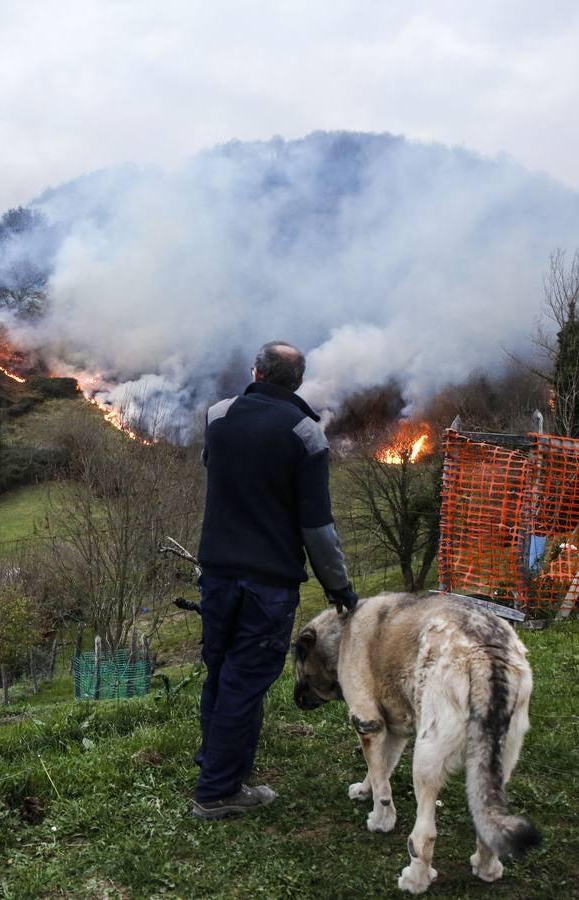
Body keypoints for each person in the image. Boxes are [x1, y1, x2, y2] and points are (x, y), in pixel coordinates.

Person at [191, 340, 360, 819]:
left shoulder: (218, 416)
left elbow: (215, 469)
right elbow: (317, 529)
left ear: (256, 373)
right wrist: (341, 590)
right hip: (267, 584)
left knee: (222, 672)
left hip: (218, 574)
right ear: (298, 383)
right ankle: (218, 791)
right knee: (245, 681)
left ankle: (216, 765)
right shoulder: (306, 434)